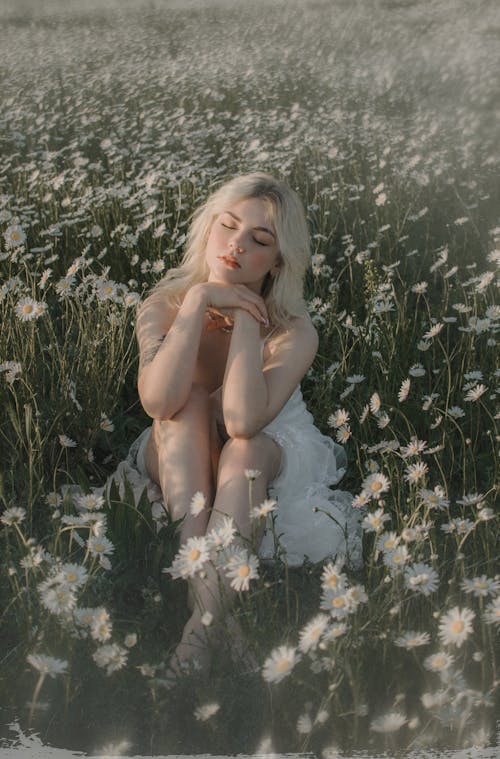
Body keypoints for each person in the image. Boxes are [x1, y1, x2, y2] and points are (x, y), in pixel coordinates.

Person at [128, 172, 361, 679]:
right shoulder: (163, 305)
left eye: (258, 240)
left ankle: (197, 631)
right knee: (187, 401)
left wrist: (248, 316)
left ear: (277, 262)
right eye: (227, 227)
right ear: (208, 229)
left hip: (264, 447)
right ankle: (218, 621)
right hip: (178, 442)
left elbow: (240, 420)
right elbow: (158, 401)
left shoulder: (295, 332)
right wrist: (198, 303)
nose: (235, 246)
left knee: (245, 451)